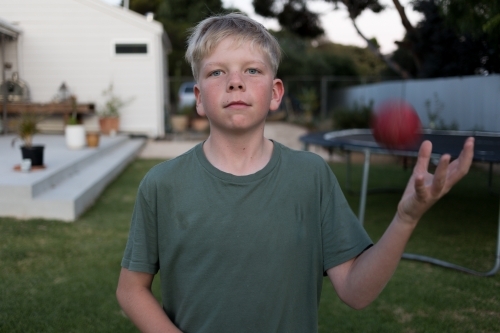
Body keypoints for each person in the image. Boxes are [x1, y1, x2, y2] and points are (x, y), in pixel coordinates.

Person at [116, 13, 475, 333]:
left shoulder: (311, 176)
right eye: (217, 71)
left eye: (252, 70)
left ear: (275, 93)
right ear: (198, 97)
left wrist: (405, 218)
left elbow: (355, 292)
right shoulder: (162, 185)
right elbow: (131, 289)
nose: (235, 81)